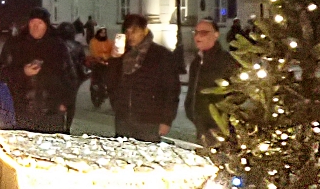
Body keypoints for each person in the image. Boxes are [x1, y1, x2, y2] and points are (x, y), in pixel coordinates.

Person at [0, 8, 76, 133]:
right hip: (23, 110)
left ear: (46, 25)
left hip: (52, 112)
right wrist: (23, 72)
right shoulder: (15, 44)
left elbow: (70, 78)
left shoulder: (58, 46)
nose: (36, 27)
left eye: (40, 23)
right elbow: (1, 73)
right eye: (33, 23)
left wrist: (64, 103)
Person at [107, 14, 181, 143]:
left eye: (134, 31)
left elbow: (172, 90)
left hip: (149, 120)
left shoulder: (161, 55)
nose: (130, 36)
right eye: (127, 32)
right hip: (123, 117)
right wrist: (114, 59)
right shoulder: (123, 54)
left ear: (145, 30)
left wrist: (166, 120)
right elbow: (111, 82)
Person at [185, 19, 239, 146]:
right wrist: (192, 112)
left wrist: (221, 120)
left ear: (216, 35)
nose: (198, 36)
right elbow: (192, 92)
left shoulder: (226, 61)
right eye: (196, 32)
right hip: (201, 125)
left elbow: (237, 94)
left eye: (204, 32)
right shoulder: (196, 62)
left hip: (219, 127)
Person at [57, 22, 90, 133]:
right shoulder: (78, 46)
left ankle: (60, 124)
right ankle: (67, 126)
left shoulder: (57, 44)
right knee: (71, 103)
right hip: (74, 78)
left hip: (59, 77)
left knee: (58, 101)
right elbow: (83, 62)